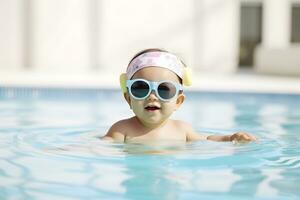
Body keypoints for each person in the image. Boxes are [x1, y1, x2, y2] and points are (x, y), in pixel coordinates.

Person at [102, 48, 257, 143]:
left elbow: (206, 140)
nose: (152, 96)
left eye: (164, 89)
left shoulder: (182, 130)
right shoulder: (122, 130)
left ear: (178, 101)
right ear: (128, 98)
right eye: (141, 88)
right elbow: (103, 148)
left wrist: (230, 138)